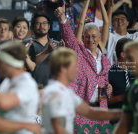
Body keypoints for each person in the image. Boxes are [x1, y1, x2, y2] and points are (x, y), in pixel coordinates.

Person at [54, 1, 113, 130]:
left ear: (99, 38)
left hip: (100, 110)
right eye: (86, 37)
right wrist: (62, 18)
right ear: (82, 37)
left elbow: (102, 83)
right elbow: (69, 35)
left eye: (93, 36)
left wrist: (108, 90)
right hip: (82, 110)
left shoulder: (105, 61)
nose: (90, 40)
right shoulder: (78, 52)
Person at [42, 47, 122, 134]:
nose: (77, 70)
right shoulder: (56, 94)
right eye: (75, 66)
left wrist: (123, 114)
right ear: (63, 69)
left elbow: (90, 112)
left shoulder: (66, 92)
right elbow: (58, 130)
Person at [23, 12, 59, 86]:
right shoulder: (26, 44)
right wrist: (47, 51)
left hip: (52, 87)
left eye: (44, 23)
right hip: (32, 87)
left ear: (49, 26)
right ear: (33, 26)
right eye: (38, 23)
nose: (41, 26)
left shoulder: (57, 44)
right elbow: (29, 65)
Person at [112, 41, 138, 134]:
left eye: (130, 58)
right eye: (126, 58)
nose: (127, 62)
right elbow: (124, 124)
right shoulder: (131, 89)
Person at [108, 38, 135, 124]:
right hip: (116, 120)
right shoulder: (109, 72)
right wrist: (121, 98)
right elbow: (102, 100)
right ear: (123, 54)